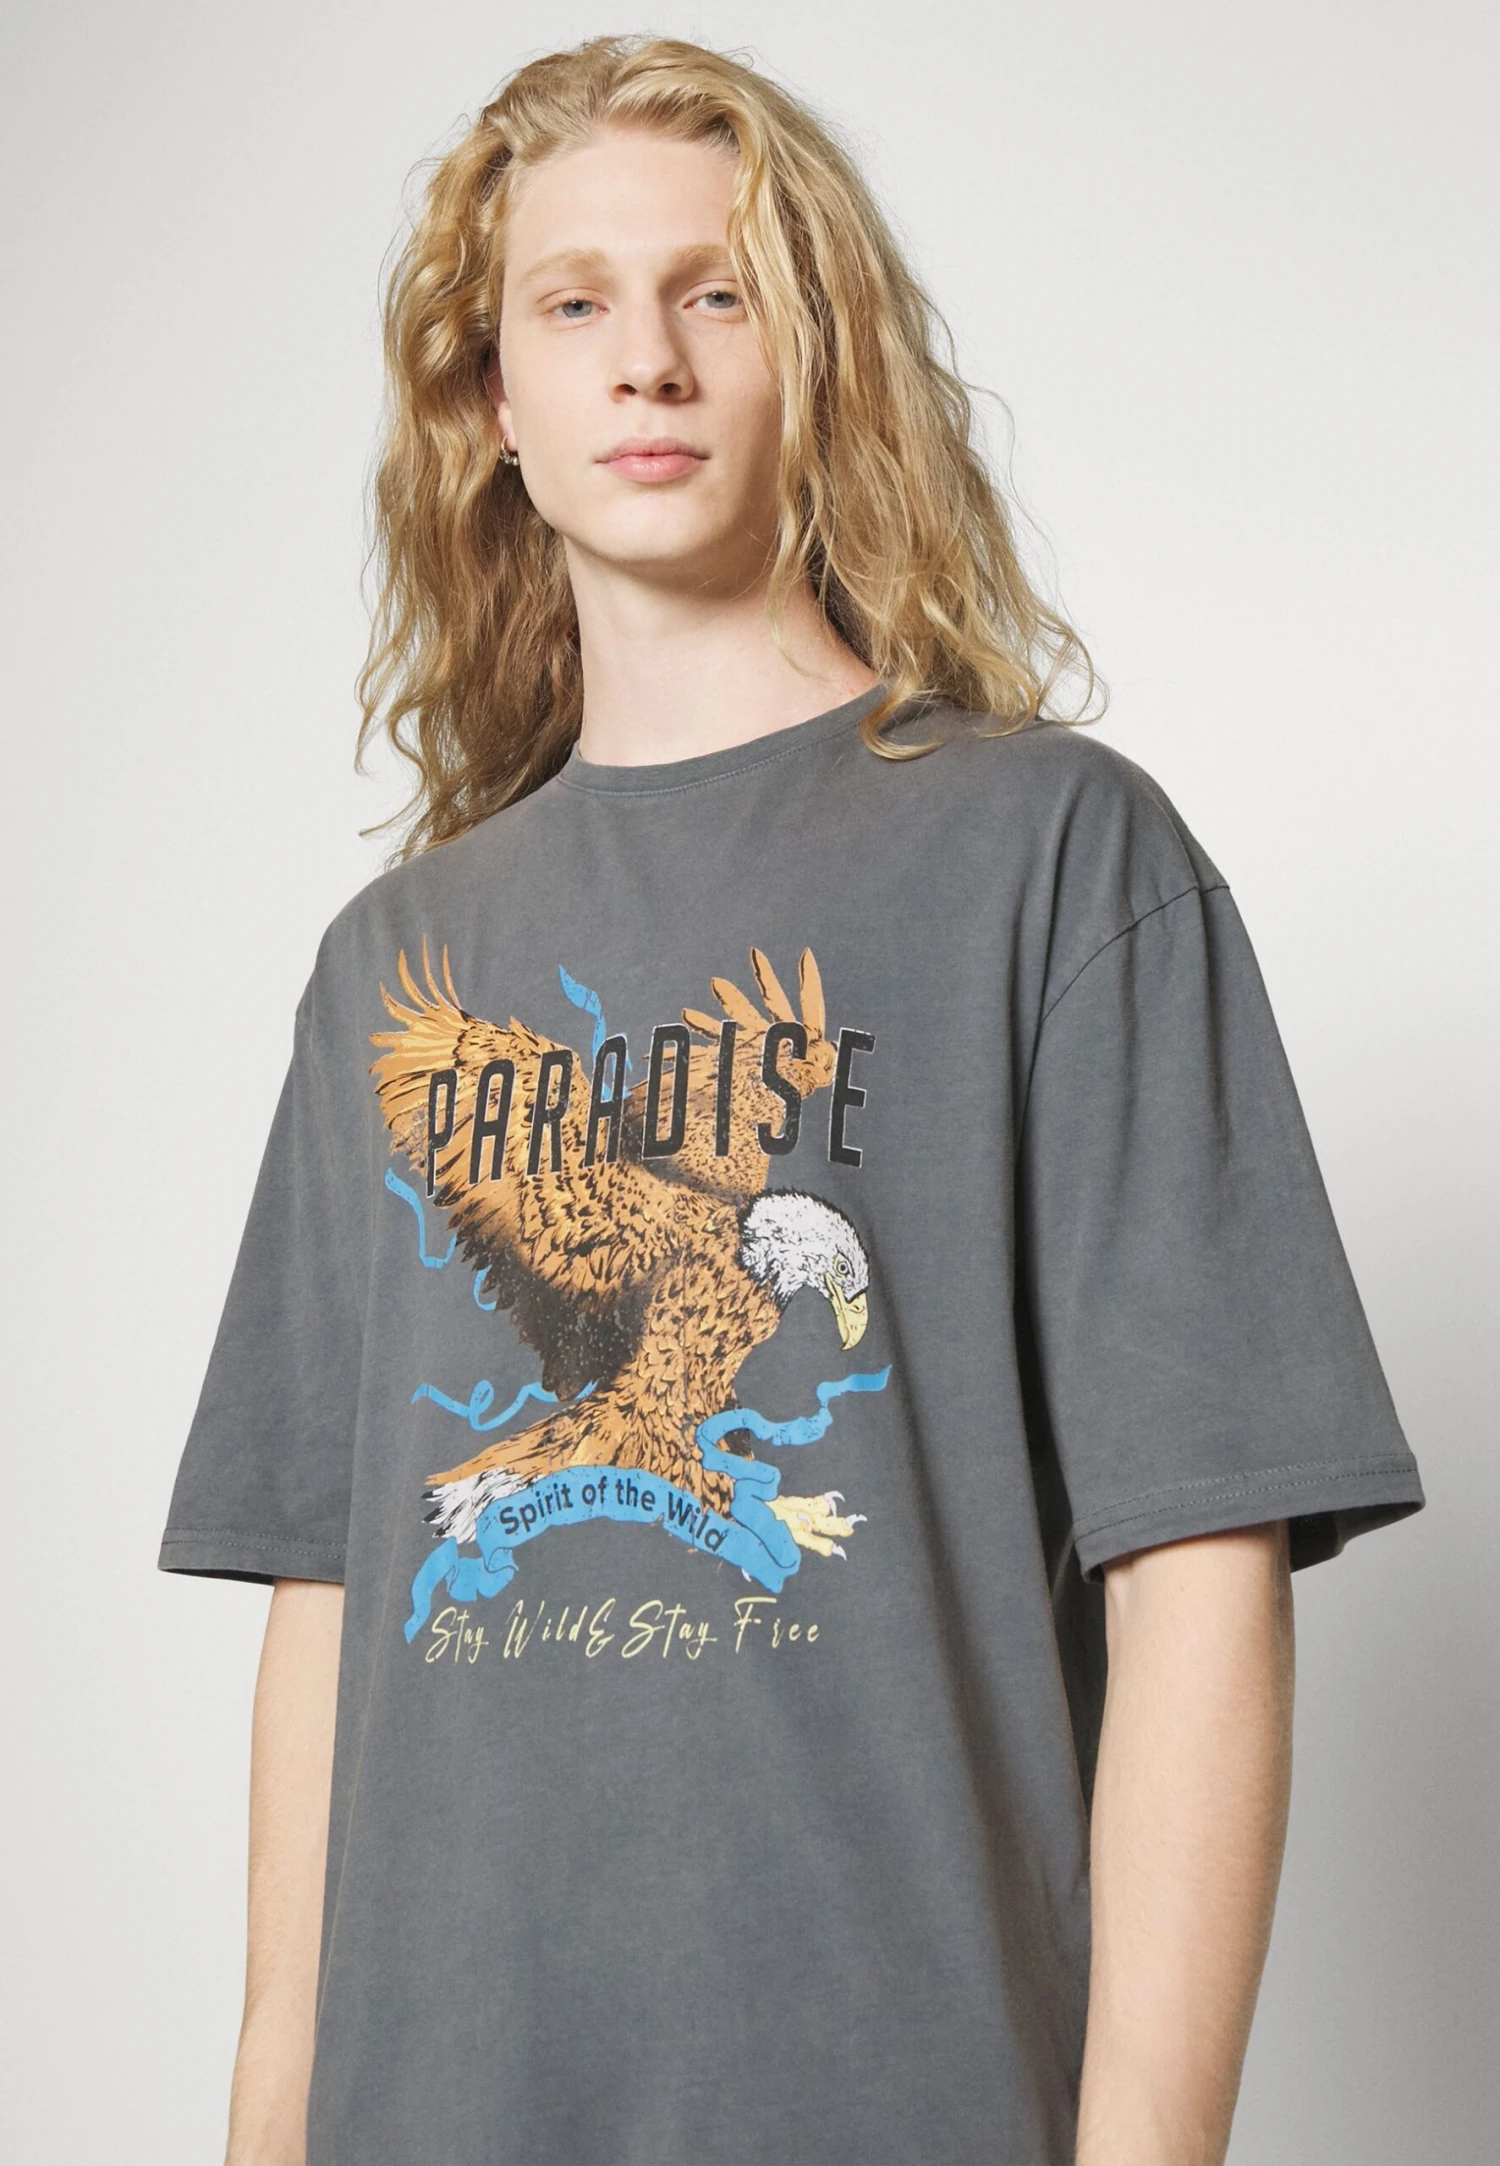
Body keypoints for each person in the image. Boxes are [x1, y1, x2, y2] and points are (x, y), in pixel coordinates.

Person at [158, 33, 1426, 2166]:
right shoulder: (395, 962)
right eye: (573, 302)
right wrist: (266, 2127)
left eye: (716, 291)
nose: (645, 359)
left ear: (815, 356)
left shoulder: (1053, 862)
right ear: (494, 400)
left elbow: (1199, 1573)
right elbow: (333, 1605)